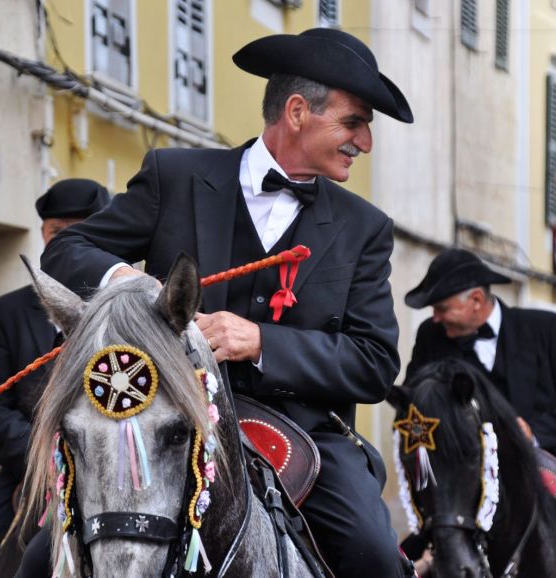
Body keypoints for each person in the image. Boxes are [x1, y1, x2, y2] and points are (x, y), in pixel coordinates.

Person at [41, 27, 414, 578]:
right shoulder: (174, 176)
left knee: (375, 556)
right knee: (37, 557)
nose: (365, 141)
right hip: (164, 418)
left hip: (303, 434)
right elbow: (67, 250)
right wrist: (137, 286)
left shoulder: (365, 227)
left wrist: (261, 342)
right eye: (354, 122)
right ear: (297, 112)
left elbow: (374, 363)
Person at [404, 248, 556, 578]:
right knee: (400, 559)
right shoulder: (431, 337)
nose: (436, 318)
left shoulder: (547, 329)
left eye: (442, 308)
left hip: (548, 467)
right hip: (465, 485)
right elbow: (416, 408)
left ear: (476, 300)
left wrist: (532, 432)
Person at [0, 179, 111, 578]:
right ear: (43, 235)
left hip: (114, 466)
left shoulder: (126, 305)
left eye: (79, 231)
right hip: (32, 468)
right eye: (56, 232)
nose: (65, 242)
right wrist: (45, 459)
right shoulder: (7, 313)